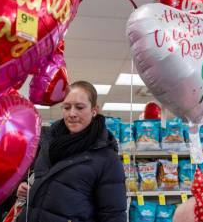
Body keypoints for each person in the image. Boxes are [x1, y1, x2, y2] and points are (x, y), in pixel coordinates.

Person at [16, 81, 127, 222]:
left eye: (79, 107)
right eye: (67, 107)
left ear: (94, 110)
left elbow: (113, 215)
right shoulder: (49, 142)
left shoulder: (107, 158)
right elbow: (41, 181)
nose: (72, 113)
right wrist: (25, 189)